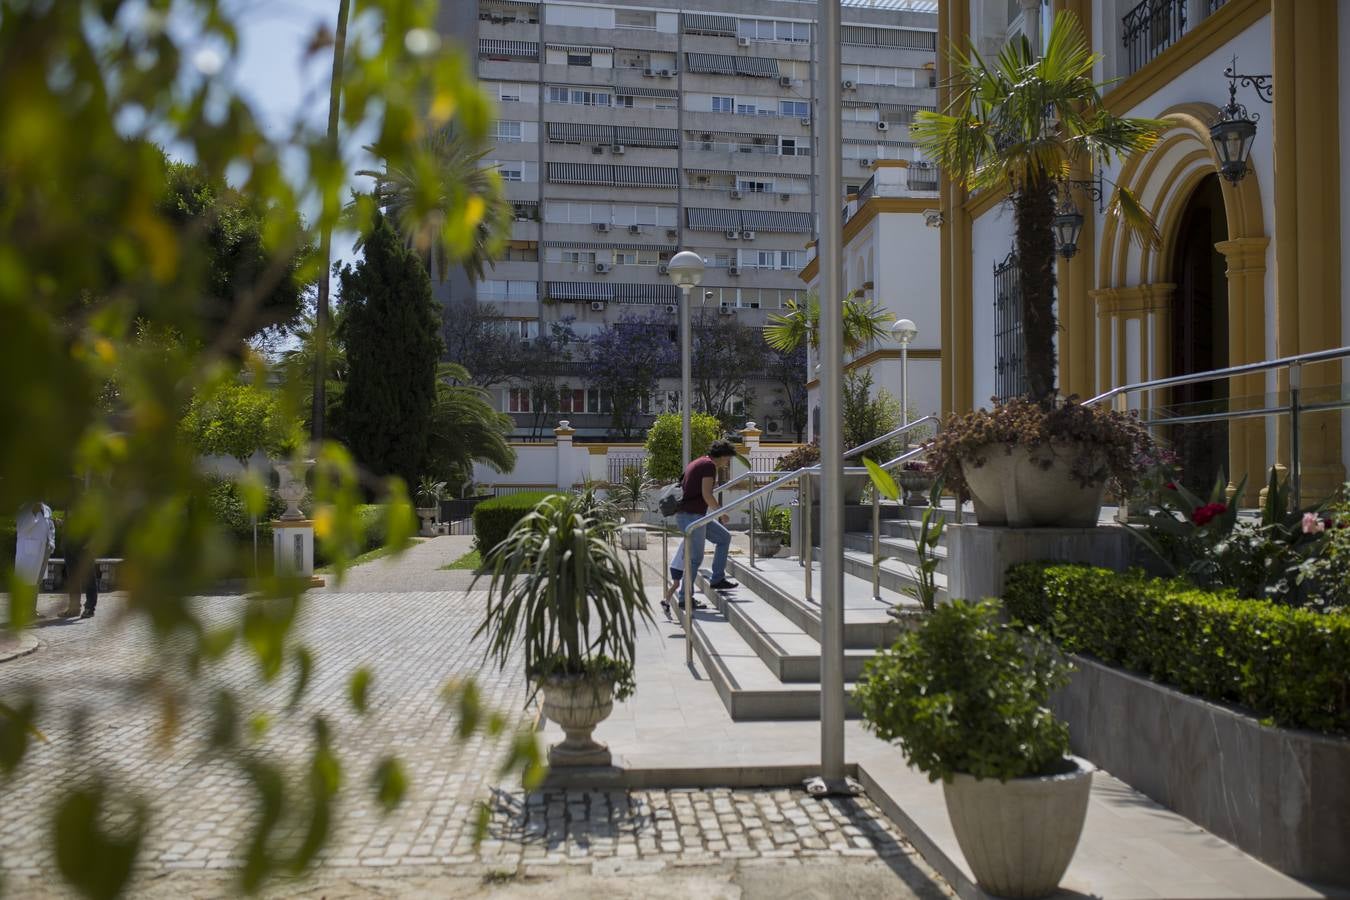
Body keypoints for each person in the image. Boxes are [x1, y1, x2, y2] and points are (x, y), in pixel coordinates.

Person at [664, 439, 738, 619]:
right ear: (723, 456)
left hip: (694, 516)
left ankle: (717, 578)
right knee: (695, 558)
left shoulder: (699, 462)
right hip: (692, 517)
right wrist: (721, 513)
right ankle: (685, 598)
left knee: (724, 537)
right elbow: (707, 494)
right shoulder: (708, 466)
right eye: (728, 459)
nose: (727, 462)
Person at [14, 503, 55, 613]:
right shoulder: (24, 508)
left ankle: (32, 610)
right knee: (26, 581)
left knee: (37, 581)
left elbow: (51, 527)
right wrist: (33, 512)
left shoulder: (47, 509)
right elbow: (21, 528)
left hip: (43, 551)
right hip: (27, 553)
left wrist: (51, 543)